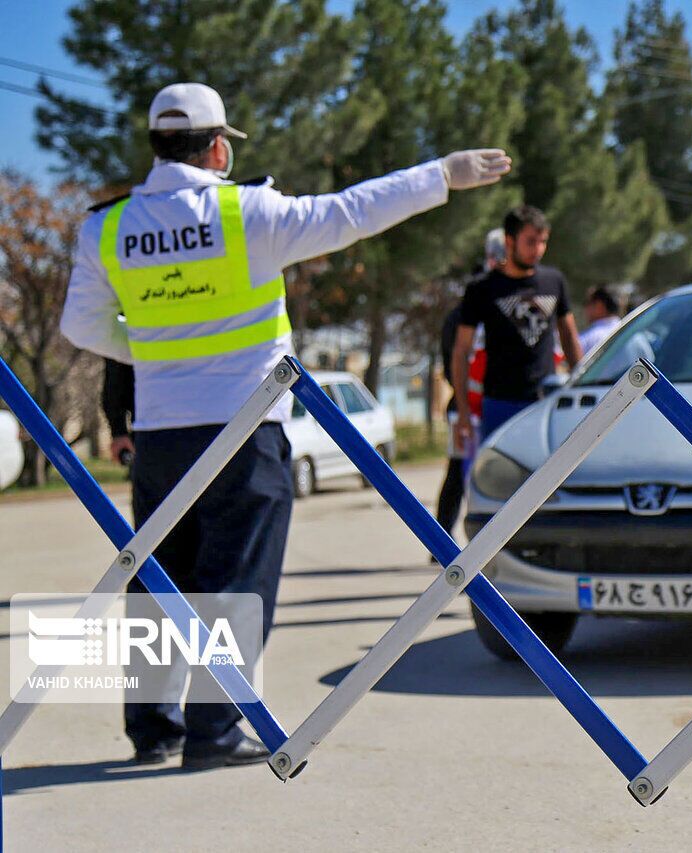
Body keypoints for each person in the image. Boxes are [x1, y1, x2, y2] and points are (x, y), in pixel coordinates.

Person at [60, 81, 510, 769]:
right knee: (236, 576)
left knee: (158, 575)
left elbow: (79, 325)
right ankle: (213, 730)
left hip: (160, 431)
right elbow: (351, 211)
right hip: (244, 426)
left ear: (155, 146)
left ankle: (152, 725)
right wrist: (439, 175)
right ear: (217, 147)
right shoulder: (248, 213)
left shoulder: (108, 227)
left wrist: (156, 350)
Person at [451, 205, 582, 449]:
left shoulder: (553, 281)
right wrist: (463, 413)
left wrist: (581, 384)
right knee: (499, 482)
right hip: (500, 403)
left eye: (543, 241)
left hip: (547, 401)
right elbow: (461, 351)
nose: (538, 249)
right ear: (509, 241)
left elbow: (569, 335)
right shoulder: (482, 288)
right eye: (531, 241)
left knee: (551, 481)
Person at [434, 229, 503, 537]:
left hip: (469, 404)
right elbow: (455, 361)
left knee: (458, 476)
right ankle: (447, 537)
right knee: (467, 475)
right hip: (473, 406)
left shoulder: (456, 317)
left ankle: (440, 538)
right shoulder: (471, 316)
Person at [102, 357, 135, 467]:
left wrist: (118, 431)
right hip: (150, 426)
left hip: (151, 426)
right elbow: (115, 376)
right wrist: (119, 431)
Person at [576, 286, 622, 355]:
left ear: (599, 305)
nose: (585, 308)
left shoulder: (589, 338)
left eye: (587, 302)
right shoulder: (632, 334)